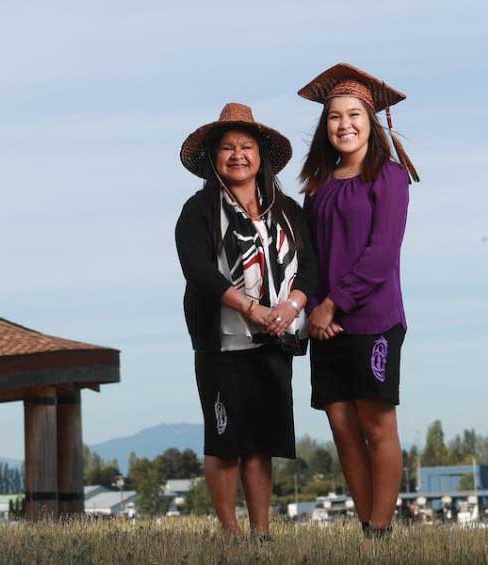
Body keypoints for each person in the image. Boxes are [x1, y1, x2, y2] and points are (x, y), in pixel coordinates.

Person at [175, 103, 317, 537]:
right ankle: (231, 533)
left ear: (261, 156)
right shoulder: (198, 210)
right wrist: (250, 308)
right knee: (224, 441)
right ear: (214, 158)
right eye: (228, 148)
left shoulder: (288, 210)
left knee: (262, 442)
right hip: (222, 341)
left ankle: (262, 532)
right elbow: (198, 271)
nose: (238, 155)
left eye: (247, 146)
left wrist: (290, 306)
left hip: (276, 339)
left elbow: (310, 266)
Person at [297, 63, 418, 539]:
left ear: (370, 121)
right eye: (333, 117)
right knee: (342, 426)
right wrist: (313, 310)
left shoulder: (389, 178)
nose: (343, 124)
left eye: (353, 115)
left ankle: (381, 527)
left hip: (373, 319)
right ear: (324, 127)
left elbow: (381, 252)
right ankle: (367, 525)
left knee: (375, 421)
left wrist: (334, 304)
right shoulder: (318, 188)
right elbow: (309, 258)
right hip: (324, 323)